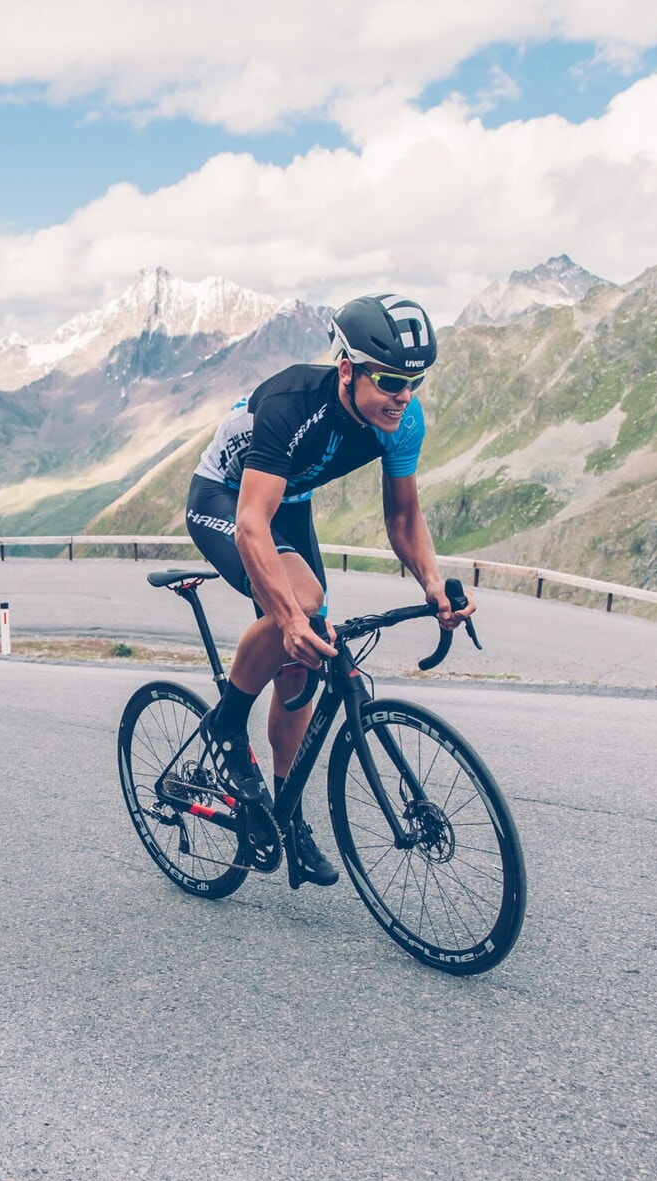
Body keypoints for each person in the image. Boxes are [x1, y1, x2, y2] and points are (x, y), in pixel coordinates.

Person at [185, 292, 476, 888]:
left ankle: (285, 816)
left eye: (415, 382)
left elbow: (403, 519)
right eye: (392, 380)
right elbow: (249, 526)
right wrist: (289, 615)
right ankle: (226, 721)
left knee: (304, 662)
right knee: (306, 609)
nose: (404, 396)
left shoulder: (402, 419)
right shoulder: (293, 405)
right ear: (347, 368)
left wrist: (432, 584)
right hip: (227, 499)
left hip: (288, 504)